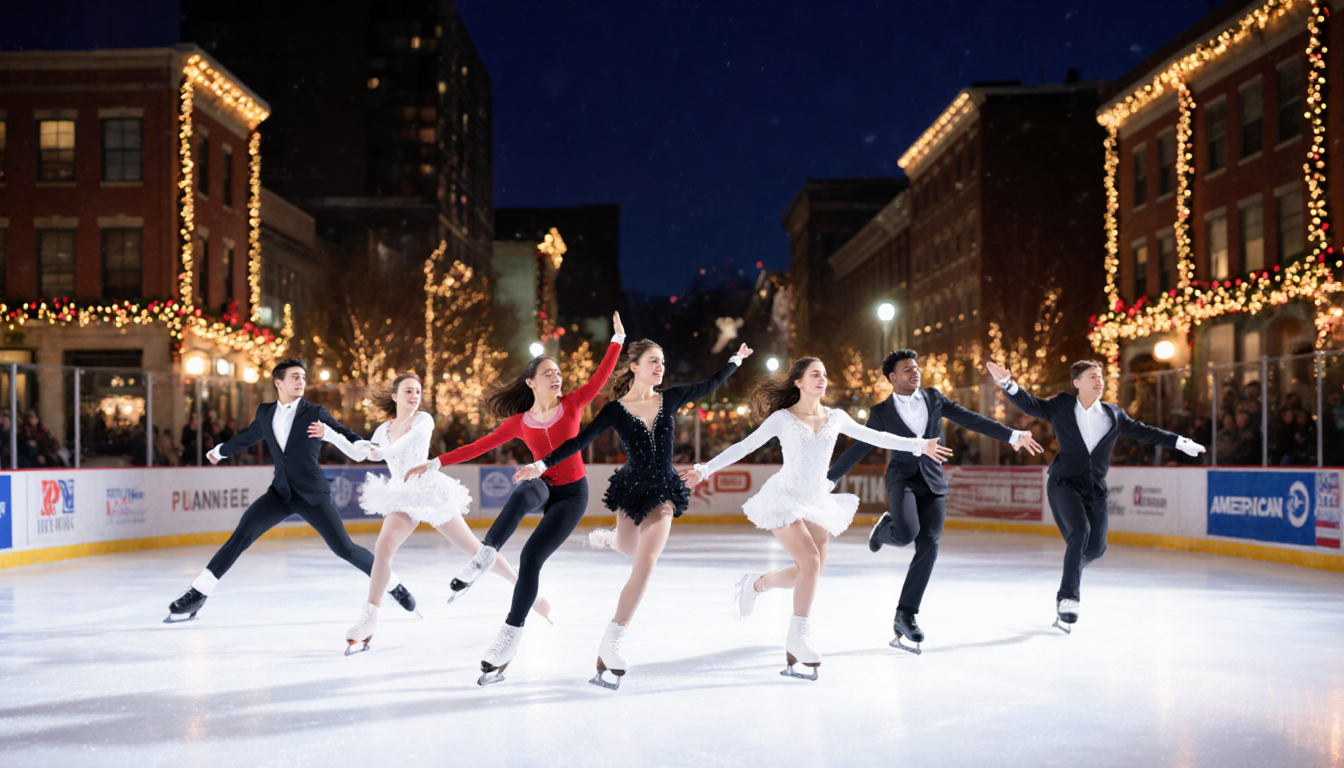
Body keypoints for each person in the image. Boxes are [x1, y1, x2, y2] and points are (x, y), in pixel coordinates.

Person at [683, 357, 949, 679]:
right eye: (815, 374)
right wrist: (705, 468)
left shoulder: (836, 417)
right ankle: (798, 638)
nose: (822, 379)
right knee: (809, 563)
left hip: (816, 501)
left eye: (824, 374)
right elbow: (745, 446)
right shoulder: (783, 418)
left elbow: (876, 437)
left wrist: (918, 445)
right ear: (799, 381)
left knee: (807, 572)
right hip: (784, 498)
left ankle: (756, 583)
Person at [514, 339, 753, 689]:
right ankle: (613, 538)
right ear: (635, 366)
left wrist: (735, 359)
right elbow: (579, 442)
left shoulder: (670, 398)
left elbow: (710, 385)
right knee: (628, 548)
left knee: (646, 561)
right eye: (653, 361)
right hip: (631, 489)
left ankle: (613, 640)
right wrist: (541, 463)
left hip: (664, 494)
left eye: (663, 362)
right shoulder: (615, 410)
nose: (660, 367)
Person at [163, 358, 417, 623]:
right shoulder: (265, 412)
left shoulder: (315, 412)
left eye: (304, 377)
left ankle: (393, 584)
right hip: (280, 494)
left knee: (345, 548)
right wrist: (219, 451)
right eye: (295, 376)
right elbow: (247, 438)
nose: (301, 381)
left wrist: (368, 447)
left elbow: (345, 433)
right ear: (278, 382)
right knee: (241, 536)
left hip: (312, 495)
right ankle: (198, 592)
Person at [826, 349, 1042, 653]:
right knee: (906, 534)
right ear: (892, 377)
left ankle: (905, 615)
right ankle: (887, 529)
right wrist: (830, 478)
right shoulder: (881, 413)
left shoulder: (933, 398)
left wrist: (1012, 435)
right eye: (907, 370)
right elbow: (862, 446)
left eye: (916, 368)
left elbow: (972, 420)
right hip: (902, 479)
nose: (915, 373)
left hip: (933, 481)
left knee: (928, 545)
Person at [317, 373, 546, 655]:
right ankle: (369, 618)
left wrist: (380, 450)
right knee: (383, 546)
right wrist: (329, 434)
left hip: (429, 491)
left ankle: (518, 582)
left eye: (418, 391)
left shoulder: (423, 420)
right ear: (395, 396)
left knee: (474, 549)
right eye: (409, 391)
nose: (415, 396)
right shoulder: (383, 429)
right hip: (402, 494)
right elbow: (359, 452)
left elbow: (401, 445)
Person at [986, 359, 1204, 632]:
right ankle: (1068, 598)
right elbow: (1031, 404)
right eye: (1092, 376)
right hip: (1063, 484)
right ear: (1077, 383)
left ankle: (1072, 568)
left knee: (1096, 548)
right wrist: (1008, 384)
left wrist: (1180, 443)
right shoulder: (1062, 405)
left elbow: (1145, 432)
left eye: (1100, 376)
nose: (1099, 380)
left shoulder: (1114, 414)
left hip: (1095, 490)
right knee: (1080, 530)